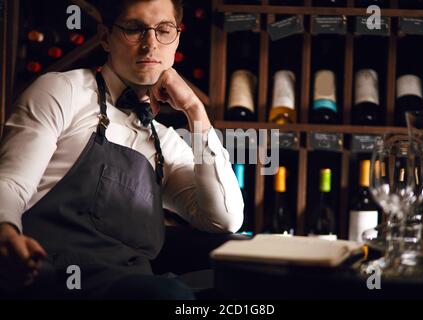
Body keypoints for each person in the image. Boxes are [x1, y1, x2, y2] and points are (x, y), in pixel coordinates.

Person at [0, 0, 244, 299]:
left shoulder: (165, 141)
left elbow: (224, 218)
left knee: (247, 272)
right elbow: (10, 183)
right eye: (134, 29)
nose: (150, 45)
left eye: (163, 30)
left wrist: (196, 112)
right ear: (105, 38)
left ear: (176, 39)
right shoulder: (62, 91)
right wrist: (6, 232)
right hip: (58, 277)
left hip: (130, 282)